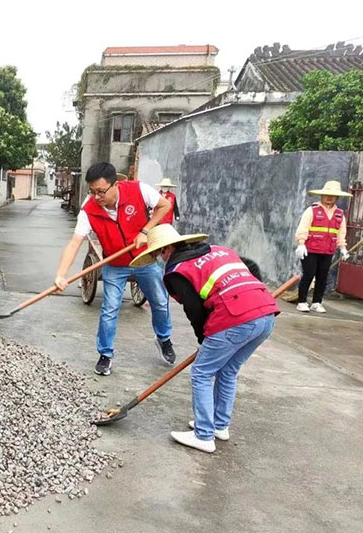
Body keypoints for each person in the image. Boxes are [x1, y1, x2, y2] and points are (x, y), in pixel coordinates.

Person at [130, 224, 280, 453]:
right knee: (228, 371)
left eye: (156, 253)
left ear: (167, 250)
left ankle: (203, 435)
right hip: (266, 313)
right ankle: (219, 426)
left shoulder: (177, 271)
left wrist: (204, 339)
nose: (157, 259)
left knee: (201, 372)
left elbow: (194, 310)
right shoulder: (220, 250)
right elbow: (251, 267)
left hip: (235, 317)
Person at [52, 162, 175, 376]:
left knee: (160, 302)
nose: (97, 197)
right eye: (92, 192)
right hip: (115, 265)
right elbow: (74, 243)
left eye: (101, 191)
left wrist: (146, 230)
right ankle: (105, 354)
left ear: (115, 185)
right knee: (109, 310)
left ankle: (164, 339)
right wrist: (61, 275)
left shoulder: (138, 190)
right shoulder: (88, 210)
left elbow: (164, 206)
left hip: (144, 259)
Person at [294, 180, 351, 313]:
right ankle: (302, 301)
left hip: (327, 250)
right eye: (326, 195)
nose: (329, 198)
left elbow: (341, 232)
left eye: (333, 196)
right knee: (309, 274)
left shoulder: (339, 214)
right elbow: (303, 227)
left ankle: (316, 302)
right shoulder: (312, 210)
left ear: (337, 197)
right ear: (322, 195)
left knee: (322, 276)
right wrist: (301, 243)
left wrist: (342, 247)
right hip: (310, 249)